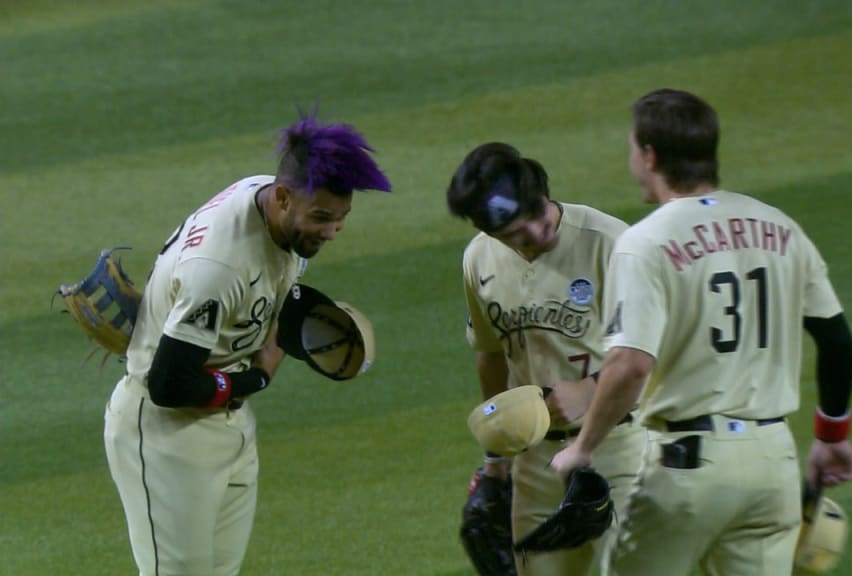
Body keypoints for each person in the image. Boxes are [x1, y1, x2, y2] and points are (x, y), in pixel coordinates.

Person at [551, 88, 852, 575]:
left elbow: (630, 363)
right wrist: (832, 436)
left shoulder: (645, 241)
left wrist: (582, 449)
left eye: (633, 148)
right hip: (773, 465)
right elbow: (838, 340)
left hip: (688, 468)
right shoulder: (780, 227)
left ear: (650, 156)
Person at [103, 112, 391, 576]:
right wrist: (256, 377)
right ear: (283, 197)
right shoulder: (221, 265)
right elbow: (169, 384)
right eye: (321, 218)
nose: (332, 231)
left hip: (230, 428)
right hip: (167, 435)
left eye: (341, 218)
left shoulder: (267, 200)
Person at [448, 142, 646, 576]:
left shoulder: (612, 244)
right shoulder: (478, 259)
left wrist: (592, 391)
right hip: (534, 462)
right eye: (517, 235)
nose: (537, 235)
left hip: (621, 451)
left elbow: (665, 353)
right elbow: (492, 355)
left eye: (537, 217)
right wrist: (495, 462)